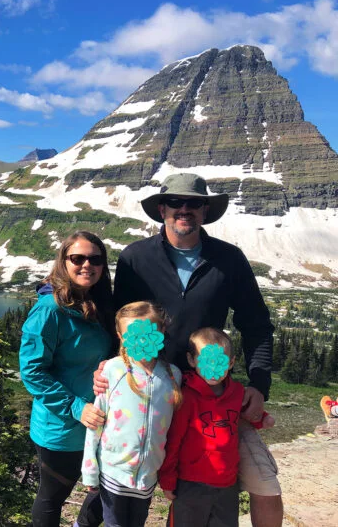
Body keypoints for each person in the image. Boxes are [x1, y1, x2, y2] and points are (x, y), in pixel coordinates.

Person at [95, 173, 282, 527]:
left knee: (264, 483)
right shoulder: (136, 258)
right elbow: (119, 324)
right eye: (176, 203)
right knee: (122, 483)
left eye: (193, 203)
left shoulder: (229, 260)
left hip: (211, 393)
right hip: (149, 389)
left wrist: (259, 385)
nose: (184, 210)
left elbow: (257, 325)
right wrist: (106, 368)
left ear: (205, 209)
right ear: (162, 208)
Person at [20, 231, 115, 527]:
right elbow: (32, 371)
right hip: (61, 428)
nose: (87, 265)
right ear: (64, 262)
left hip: (98, 422)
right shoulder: (49, 310)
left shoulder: (96, 304)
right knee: (52, 498)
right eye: (78, 258)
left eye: (95, 259)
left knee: (106, 489)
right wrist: (76, 407)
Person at [78, 301, 182, 527]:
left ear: (161, 332)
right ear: (120, 336)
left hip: (147, 477)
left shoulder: (173, 375)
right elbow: (96, 422)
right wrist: (89, 469)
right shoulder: (112, 370)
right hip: (113, 470)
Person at [159, 328, 272, 527]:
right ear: (192, 360)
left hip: (227, 484)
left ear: (231, 362)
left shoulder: (237, 392)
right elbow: (174, 441)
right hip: (190, 483)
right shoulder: (187, 397)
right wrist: (168, 479)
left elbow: (244, 411)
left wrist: (261, 419)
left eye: (219, 363)